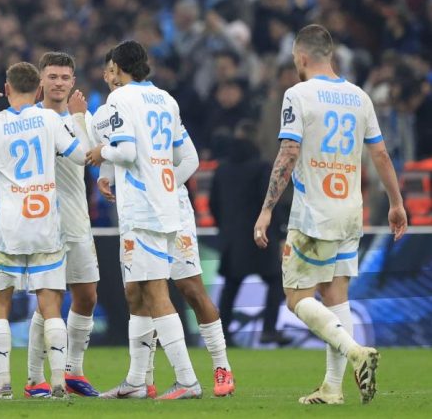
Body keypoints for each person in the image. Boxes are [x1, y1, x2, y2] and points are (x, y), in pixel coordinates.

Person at [253, 24, 407, 405]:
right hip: (350, 212)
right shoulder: (359, 97)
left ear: (302, 57)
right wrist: (397, 202)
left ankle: (356, 352)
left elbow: (288, 153)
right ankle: (333, 389)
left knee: (295, 297)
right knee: (337, 296)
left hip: (314, 214)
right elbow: (381, 154)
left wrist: (267, 209)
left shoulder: (298, 94)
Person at [91, 50, 234, 398]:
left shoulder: (118, 100)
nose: (108, 76)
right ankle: (140, 380)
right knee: (141, 290)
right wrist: (166, 183)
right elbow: (190, 158)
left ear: (119, 70)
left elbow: (122, 151)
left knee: (161, 290)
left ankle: (190, 379)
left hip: (145, 210)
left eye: (111, 69)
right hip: (172, 206)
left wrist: (102, 156)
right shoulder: (165, 99)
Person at [0, 62, 86, 400]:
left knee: (0, 305)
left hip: (8, 228)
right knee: (51, 305)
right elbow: (82, 156)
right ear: (38, 90)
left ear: (7, 89)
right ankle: (57, 384)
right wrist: (74, 120)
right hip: (45, 226)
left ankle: (3, 385)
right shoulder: (50, 120)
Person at [23, 52, 100, 398]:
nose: (58, 83)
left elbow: (96, 154)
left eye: (65, 78)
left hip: (77, 219)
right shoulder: (30, 119)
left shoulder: (84, 118)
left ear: (73, 83)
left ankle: (73, 370)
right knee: (48, 301)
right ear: (41, 80)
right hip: (43, 223)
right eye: (52, 76)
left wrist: (106, 180)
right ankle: (34, 378)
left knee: (87, 295)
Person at [211, 121, 290, 347]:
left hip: (232, 238)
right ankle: (268, 329)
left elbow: (214, 203)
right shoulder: (262, 167)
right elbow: (269, 201)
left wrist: (224, 228)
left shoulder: (222, 168)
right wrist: (276, 230)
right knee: (275, 281)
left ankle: (222, 332)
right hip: (259, 235)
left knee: (231, 285)